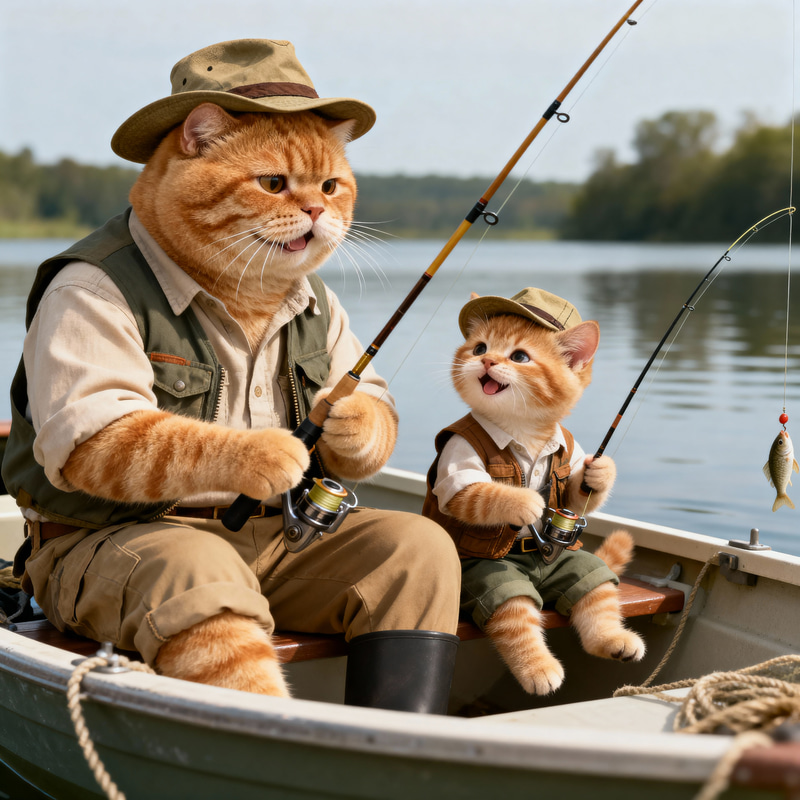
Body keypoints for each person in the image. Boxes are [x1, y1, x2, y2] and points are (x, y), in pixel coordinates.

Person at [2, 39, 461, 714]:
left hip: (275, 536)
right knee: (193, 568)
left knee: (418, 546)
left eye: (330, 185)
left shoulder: (312, 300)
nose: (314, 209)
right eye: (276, 184)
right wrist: (233, 457)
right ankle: (262, 760)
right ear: (195, 143)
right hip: (109, 544)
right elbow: (92, 453)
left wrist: (364, 433)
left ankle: (399, 752)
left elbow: (371, 426)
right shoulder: (95, 286)